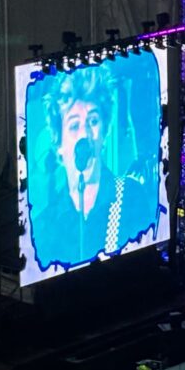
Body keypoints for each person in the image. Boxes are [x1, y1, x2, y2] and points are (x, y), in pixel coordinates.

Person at [30, 65, 155, 268]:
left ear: (104, 134)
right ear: (59, 144)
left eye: (93, 121)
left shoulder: (131, 196)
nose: (85, 135)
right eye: (74, 125)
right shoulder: (45, 226)